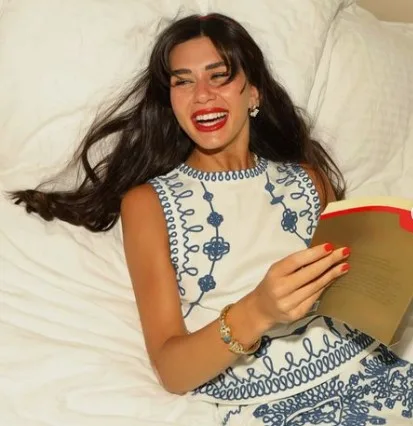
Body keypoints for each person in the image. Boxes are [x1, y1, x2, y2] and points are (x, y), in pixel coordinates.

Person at [10, 12, 413, 426]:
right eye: (183, 81)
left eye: (219, 76)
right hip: (269, 403)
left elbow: (358, 296)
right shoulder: (148, 204)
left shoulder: (309, 179)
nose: (201, 95)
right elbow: (172, 371)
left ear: (253, 93)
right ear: (170, 101)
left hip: (376, 369)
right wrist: (258, 309)